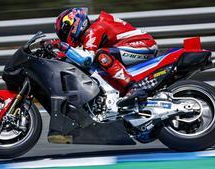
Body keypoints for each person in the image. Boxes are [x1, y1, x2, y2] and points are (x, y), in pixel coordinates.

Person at [46, 8, 158, 143]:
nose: (64, 37)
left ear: (74, 24)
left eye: (64, 33)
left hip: (143, 45)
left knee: (101, 55)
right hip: (129, 47)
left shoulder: (95, 29)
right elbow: (78, 55)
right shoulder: (90, 32)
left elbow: (86, 59)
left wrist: (62, 46)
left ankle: (133, 87)